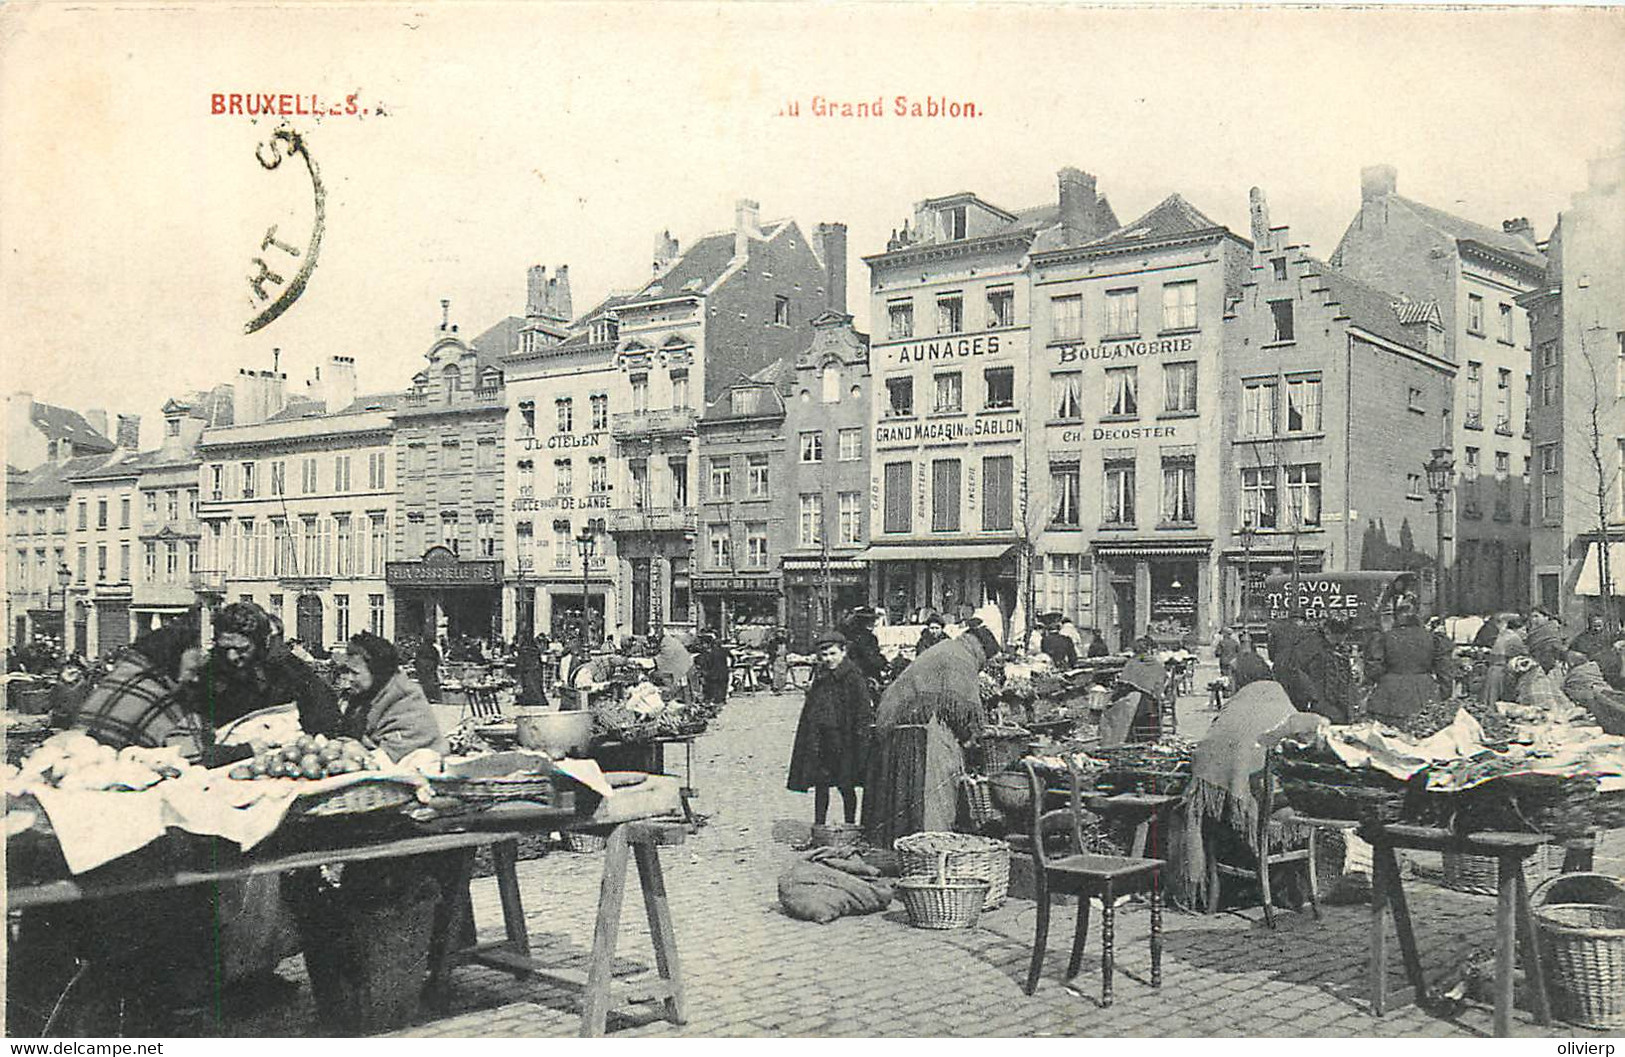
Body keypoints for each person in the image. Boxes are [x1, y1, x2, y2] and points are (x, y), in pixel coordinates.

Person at [1180, 662, 1326, 910]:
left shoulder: (1236, 706)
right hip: (1284, 814)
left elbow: (1203, 754)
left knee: (1194, 814)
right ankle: (1285, 886)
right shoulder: (1281, 705)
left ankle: (1209, 889)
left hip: (1244, 814)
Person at [863, 621, 997, 849]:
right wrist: (973, 736)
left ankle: (898, 844)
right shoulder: (960, 659)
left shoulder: (950, 648)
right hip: (918, 731)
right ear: (981, 650)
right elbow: (960, 709)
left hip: (897, 723)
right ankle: (930, 845)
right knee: (935, 786)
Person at [71, 623, 249, 766]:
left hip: (76, 762)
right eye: (192, 671)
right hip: (117, 776)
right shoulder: (165, 699)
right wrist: (247, 750)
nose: (195, 679)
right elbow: (194, 756)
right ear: (170, 663)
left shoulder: (122, 674)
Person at [204, 601, 342, 734]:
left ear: (262, 643)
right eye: (225, 648)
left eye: (242, 649)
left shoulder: (290, 672)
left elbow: (326, 717)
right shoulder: (206, 673)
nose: (231, 656)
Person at [786, 631, 872, 826]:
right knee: (821, 786)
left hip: (845, 742)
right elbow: (814, 707)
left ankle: (850, 827)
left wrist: (860, 741)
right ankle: (819, 828)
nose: (828, 659)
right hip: (823, 742)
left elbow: (862, 711)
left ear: (844, 652)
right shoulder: (822, 675)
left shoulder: (853, 677)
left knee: (846, 786)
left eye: (833, 654)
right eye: (824, 655)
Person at [333, 631, 449, 761]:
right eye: (347, 671)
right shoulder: (362, 695)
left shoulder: (407, 699)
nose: (349, 678)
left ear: (376, 672)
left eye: (355, 673)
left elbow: (399, 753)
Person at [1364, 597, 1453, 722]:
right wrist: (1443, 694)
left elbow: (1373, 669)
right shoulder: (1433, 638)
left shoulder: (1385, 638)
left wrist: (1387, 680)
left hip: (1388, 697)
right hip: (1425, 692)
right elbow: (1445, 670)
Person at [840, 606, 888, 690]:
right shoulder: (868, 637)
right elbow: (871, 656)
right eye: (870, 620)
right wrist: (884, 664)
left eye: (873, 620)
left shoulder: (851, 635)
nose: (872, 623)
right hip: (866, 672)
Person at [515, 632, 545, 706]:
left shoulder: (524, 649)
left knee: (529, 685)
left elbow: (520, 660)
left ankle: (530, 699)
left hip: (529, 670)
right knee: (533, 685)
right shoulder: (534, 649)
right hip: (533, 670)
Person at [413, 634, 442, 704]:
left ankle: (424, 697)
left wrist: (417, 667)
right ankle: (430, 697)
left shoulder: (420, 648)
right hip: (430, 667)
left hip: (422, 667)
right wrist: (434, 667)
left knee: (423, 682)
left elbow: (417, 658)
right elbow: (437, 659)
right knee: (430, 682)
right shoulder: (434, 649)